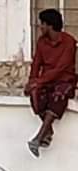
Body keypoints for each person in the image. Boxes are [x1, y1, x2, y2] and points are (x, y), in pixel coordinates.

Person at [26, 9, 78, 157]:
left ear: (49, 25)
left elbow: (61, 68)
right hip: (46, 80)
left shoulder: (69, 42)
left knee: (58, 96)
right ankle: (47, 131)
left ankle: (38, 137)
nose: (40, 27)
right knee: (36, 94)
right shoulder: (42, 42)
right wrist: (32, 81)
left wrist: (39, 81)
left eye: (42, 24)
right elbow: (36, 63)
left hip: (64, 79)